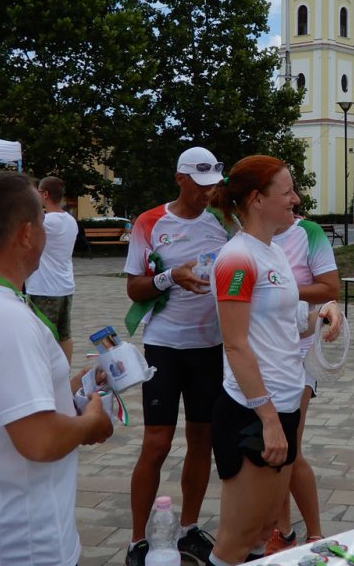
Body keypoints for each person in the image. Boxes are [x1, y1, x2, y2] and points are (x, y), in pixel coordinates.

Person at [0, 171, 113, 566]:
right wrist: (91, 422)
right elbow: (40, 440)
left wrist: (73, 384)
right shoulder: (7, 321)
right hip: (21, 542)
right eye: (43, 223)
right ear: (26, 234)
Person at [208, 156, 342, 566]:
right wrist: (267, 419)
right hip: (252, 412)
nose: (296, 199)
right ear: (257, 200)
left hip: (284, 402)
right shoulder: (236, 259)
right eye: (287, 193)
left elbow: (287, 326)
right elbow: (235, 345)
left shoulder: (275, 253)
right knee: (236, 540)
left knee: (264, 528)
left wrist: (321, 316)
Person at [124, 146, 230, 566]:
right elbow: (134, 288)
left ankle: (188, 529)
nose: (207, 193)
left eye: (212, 186)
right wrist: (170, 276)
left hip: (210, 346)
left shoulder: (222, 223)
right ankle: (138, 540)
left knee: (202, 439)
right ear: (179, 179)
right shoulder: (150, 222)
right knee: (157, 442)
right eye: (199, 186)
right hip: (165, 345)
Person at [265, 212, 341, 553]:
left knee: (289, 448)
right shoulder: (245, 237)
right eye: (285, 192)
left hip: (299, 351)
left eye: (292, 191)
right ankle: (282, 531)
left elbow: (330, 288)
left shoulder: (308, 233)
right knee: (273, 452)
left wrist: (279, 291)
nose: (294, 200)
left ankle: (314, 534)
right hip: (262, 353)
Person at [25, 175, 80, 363]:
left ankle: (43, 374)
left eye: (38, 192)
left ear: (45, 194)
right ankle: (64, 375)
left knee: (41, 336)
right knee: (65, 335)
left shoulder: (46, 222)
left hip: (44, 287)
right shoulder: (70, 220)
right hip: (65, 285)